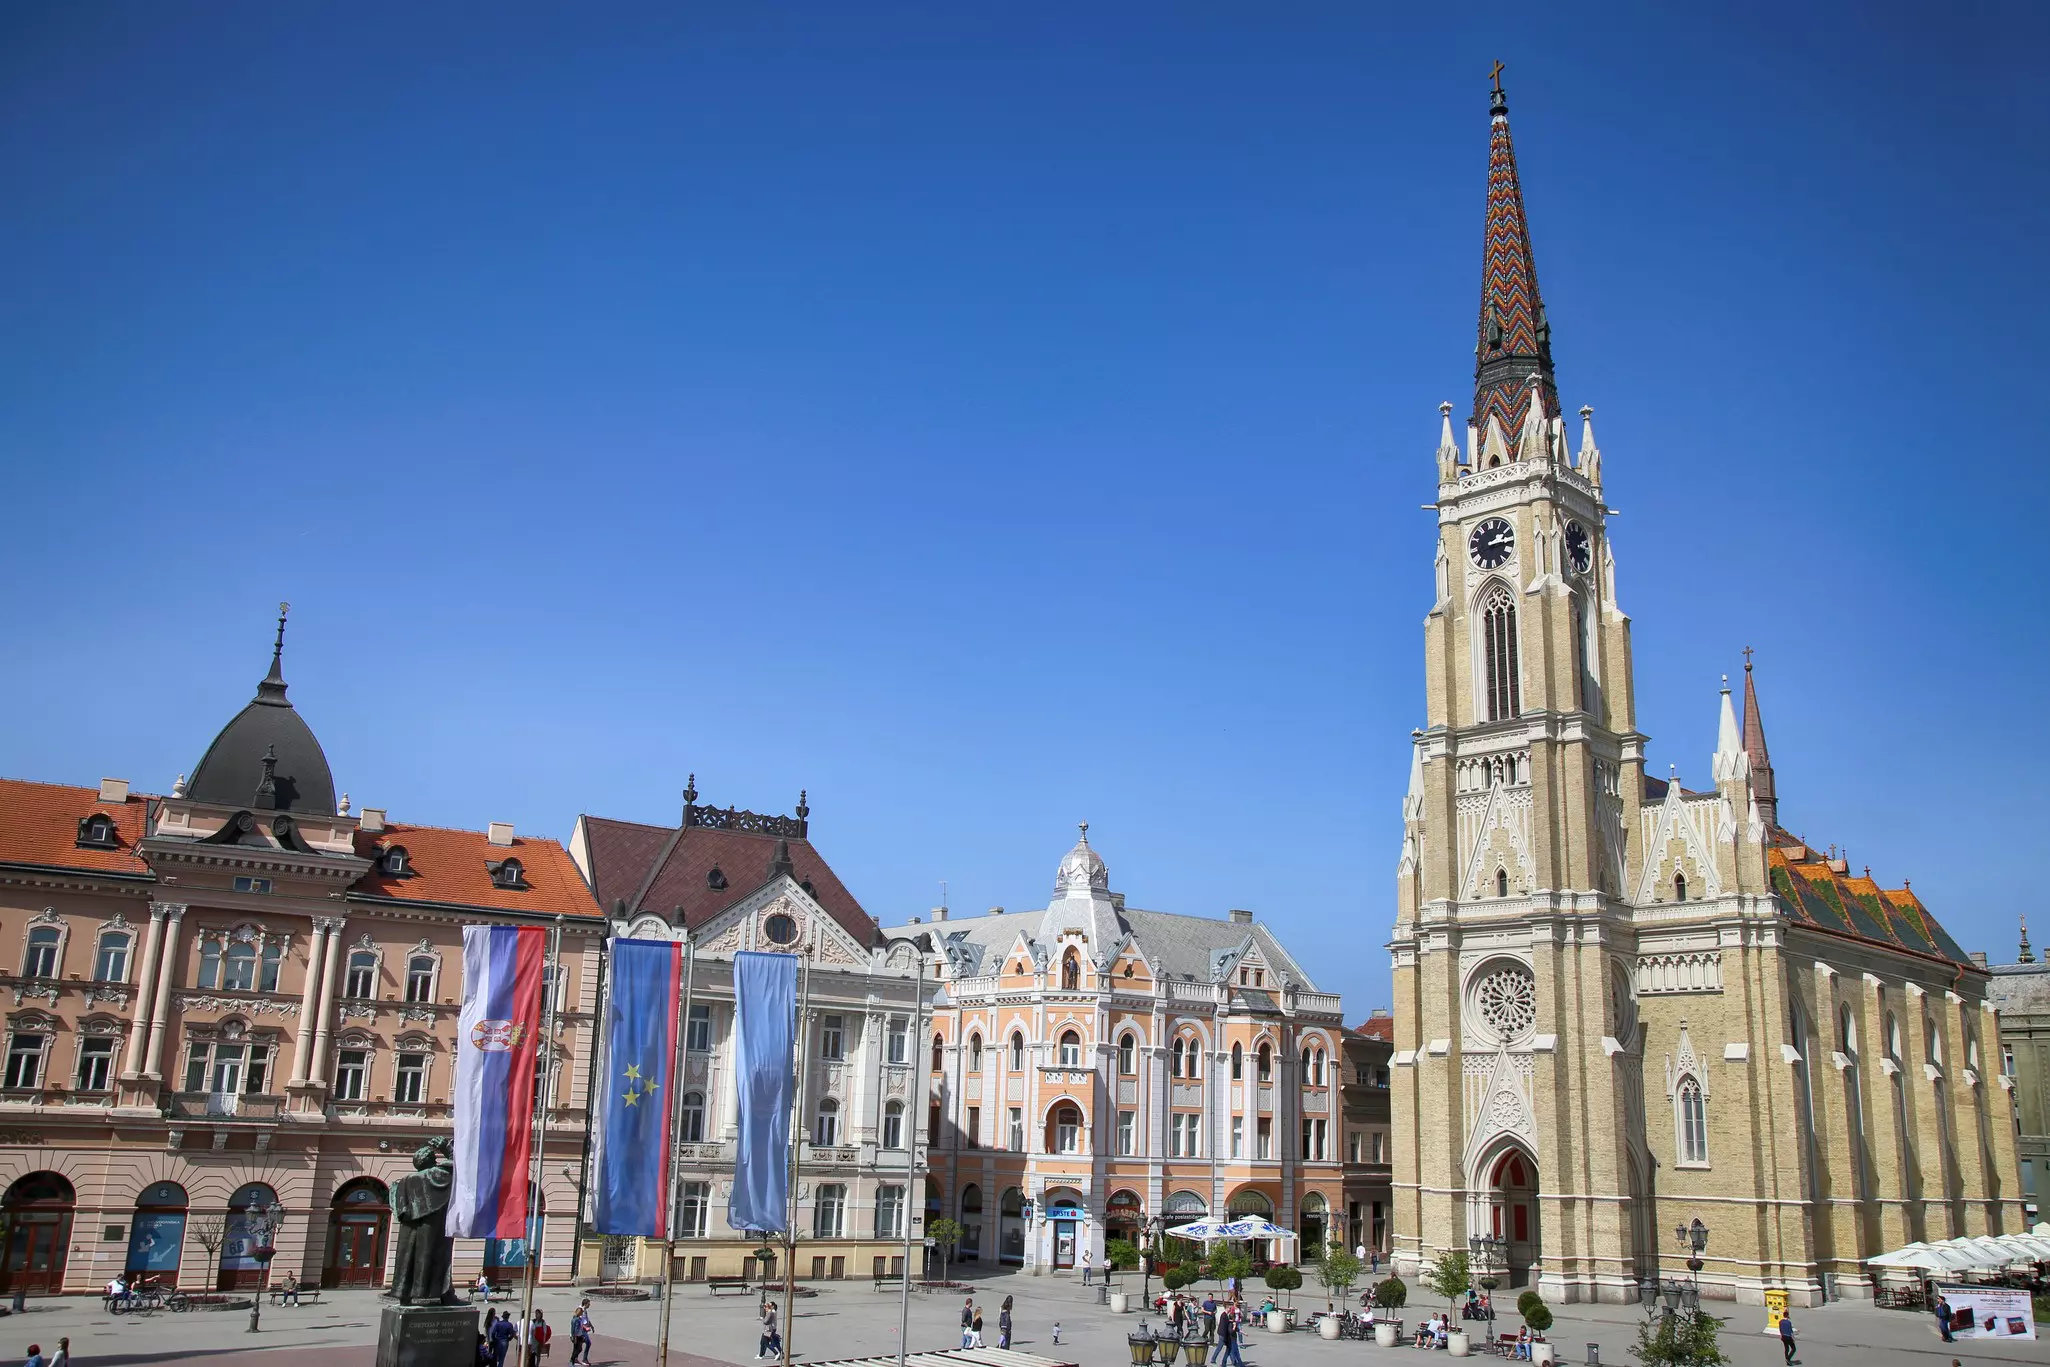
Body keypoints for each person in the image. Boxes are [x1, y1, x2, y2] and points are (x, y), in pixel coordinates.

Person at [569, 1301, 595, 1365]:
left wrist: (591, 1326)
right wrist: (574, 1336)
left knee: (578, 1347)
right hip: (581, 1331)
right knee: (587, 1344)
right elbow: (575, 1327)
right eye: (588, 1304)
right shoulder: (580, 1311)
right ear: (585, 1304)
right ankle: (582, 1359)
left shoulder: (584, 1311)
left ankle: (574, 1359)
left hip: (581, 1332)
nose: (589, 1305)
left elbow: (586, 1319)